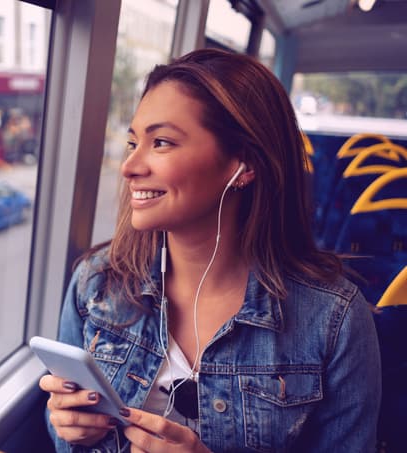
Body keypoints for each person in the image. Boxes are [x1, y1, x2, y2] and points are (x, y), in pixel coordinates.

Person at [38, 49, 381, 452]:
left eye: (160, 142)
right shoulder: (97, 283)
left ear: (244, 165)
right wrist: (68, 426)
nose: (129, 166)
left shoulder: (334, 321)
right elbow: (62, 436)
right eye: (133, 143)